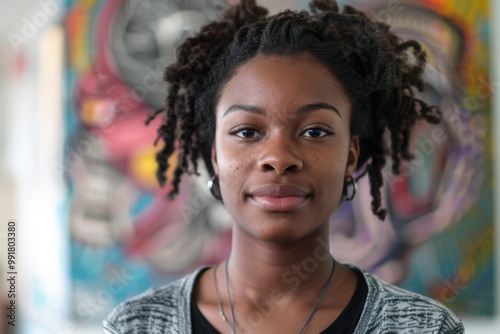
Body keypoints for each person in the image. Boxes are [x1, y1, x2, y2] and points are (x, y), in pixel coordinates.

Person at [103, 0, 465, 333]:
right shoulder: (137, 326)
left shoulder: (423, 329)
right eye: (246, 131)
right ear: (215, 154)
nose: (278, 158)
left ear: (350, 156)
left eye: (315, 131)